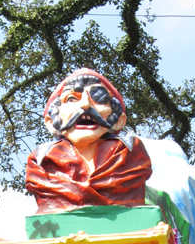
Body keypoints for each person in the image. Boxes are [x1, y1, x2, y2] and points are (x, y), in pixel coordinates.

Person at [26, 68, 153, 212]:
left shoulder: (131, 153)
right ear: (51, 121)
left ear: (118, 120)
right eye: (72, 99)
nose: (85, 105)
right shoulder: (41, 160)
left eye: (99, 98)